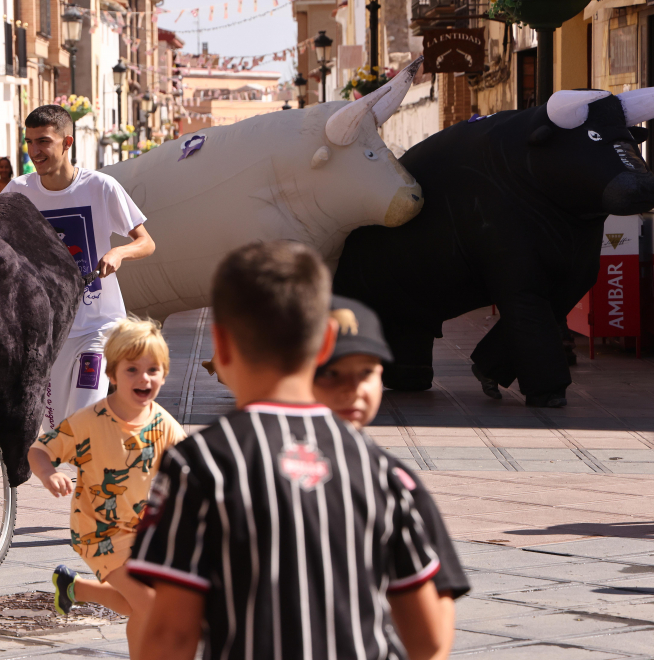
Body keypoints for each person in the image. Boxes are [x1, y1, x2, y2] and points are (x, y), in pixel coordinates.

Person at [127, 241, 450, 660]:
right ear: (328, 338)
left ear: (220, 347)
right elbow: (429, 639)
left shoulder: (198, 465)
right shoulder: (385, 472)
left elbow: (171, 635)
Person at [313, 295, 470, 652]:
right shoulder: (389, 479)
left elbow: (431, 622)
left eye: (366, 371)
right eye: (331, 372)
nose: (351, 388)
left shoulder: (394, 482)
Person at [27, 317, 185, 658]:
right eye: (132, 370)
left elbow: (192, 468)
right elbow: (40, 450)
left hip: (140, 535)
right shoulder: (88, 422)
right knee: (151, 604)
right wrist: (47, 473)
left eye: (152, 370)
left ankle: (74, 588)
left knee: (134, 605)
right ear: (111, 374)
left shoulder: (164, 424)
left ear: (164, 374)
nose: (143, 378)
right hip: (97, 533)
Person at [2, 105, 155, 430]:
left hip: (97, 327)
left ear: (67, 142)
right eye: (29, 142)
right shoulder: (18, 192)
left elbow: (146, 242)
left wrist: (119, 253)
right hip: (47, 330)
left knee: (88, 417)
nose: (35, 151)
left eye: (43, 141)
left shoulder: (100, 187)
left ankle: (98, 476)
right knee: (59, 430)